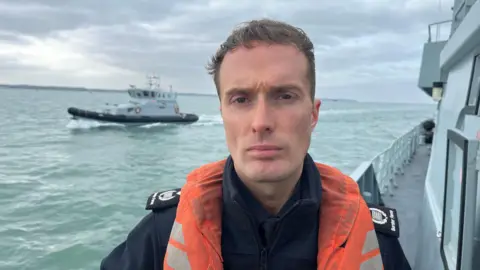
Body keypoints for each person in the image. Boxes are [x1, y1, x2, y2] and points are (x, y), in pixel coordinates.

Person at [100, 18, 411, 270]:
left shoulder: (375, 241)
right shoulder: (162, 235)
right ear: (222, 113)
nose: (261, 121)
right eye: (241, 99)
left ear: (313, 114)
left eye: (285, 96)